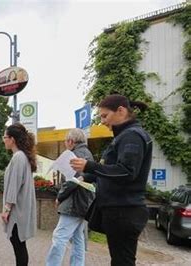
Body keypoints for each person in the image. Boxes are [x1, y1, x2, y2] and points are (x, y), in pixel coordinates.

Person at [70, 94, 152, 266]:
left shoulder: (131, 136)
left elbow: (127, 172)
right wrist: (85, 175)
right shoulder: (125, 136)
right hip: (121, 210)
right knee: (120, 260)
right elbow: (110, 170)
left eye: (105, 116)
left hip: (124, 210)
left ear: (121, 111)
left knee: (122, 261)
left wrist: (90, 166)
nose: (103, 121)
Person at [46, 128, 95, 266]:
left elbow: (72, 181)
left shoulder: (75, 155)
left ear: (71, 141)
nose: (65, 144)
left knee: (59, 236)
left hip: (74, 202)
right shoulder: (87, 153)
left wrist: (60, 197)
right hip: (84, 201)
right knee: (77, 237)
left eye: (65, 141)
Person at [1, 123, 37, 266]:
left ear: (12, 139)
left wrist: (7, 208)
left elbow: (14, 185)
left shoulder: (18, 157)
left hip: (17, 210)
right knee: (19, 245)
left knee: (19, 246)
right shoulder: (22, 156)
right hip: (21, 208)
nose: (3, 140)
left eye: (5, 137)